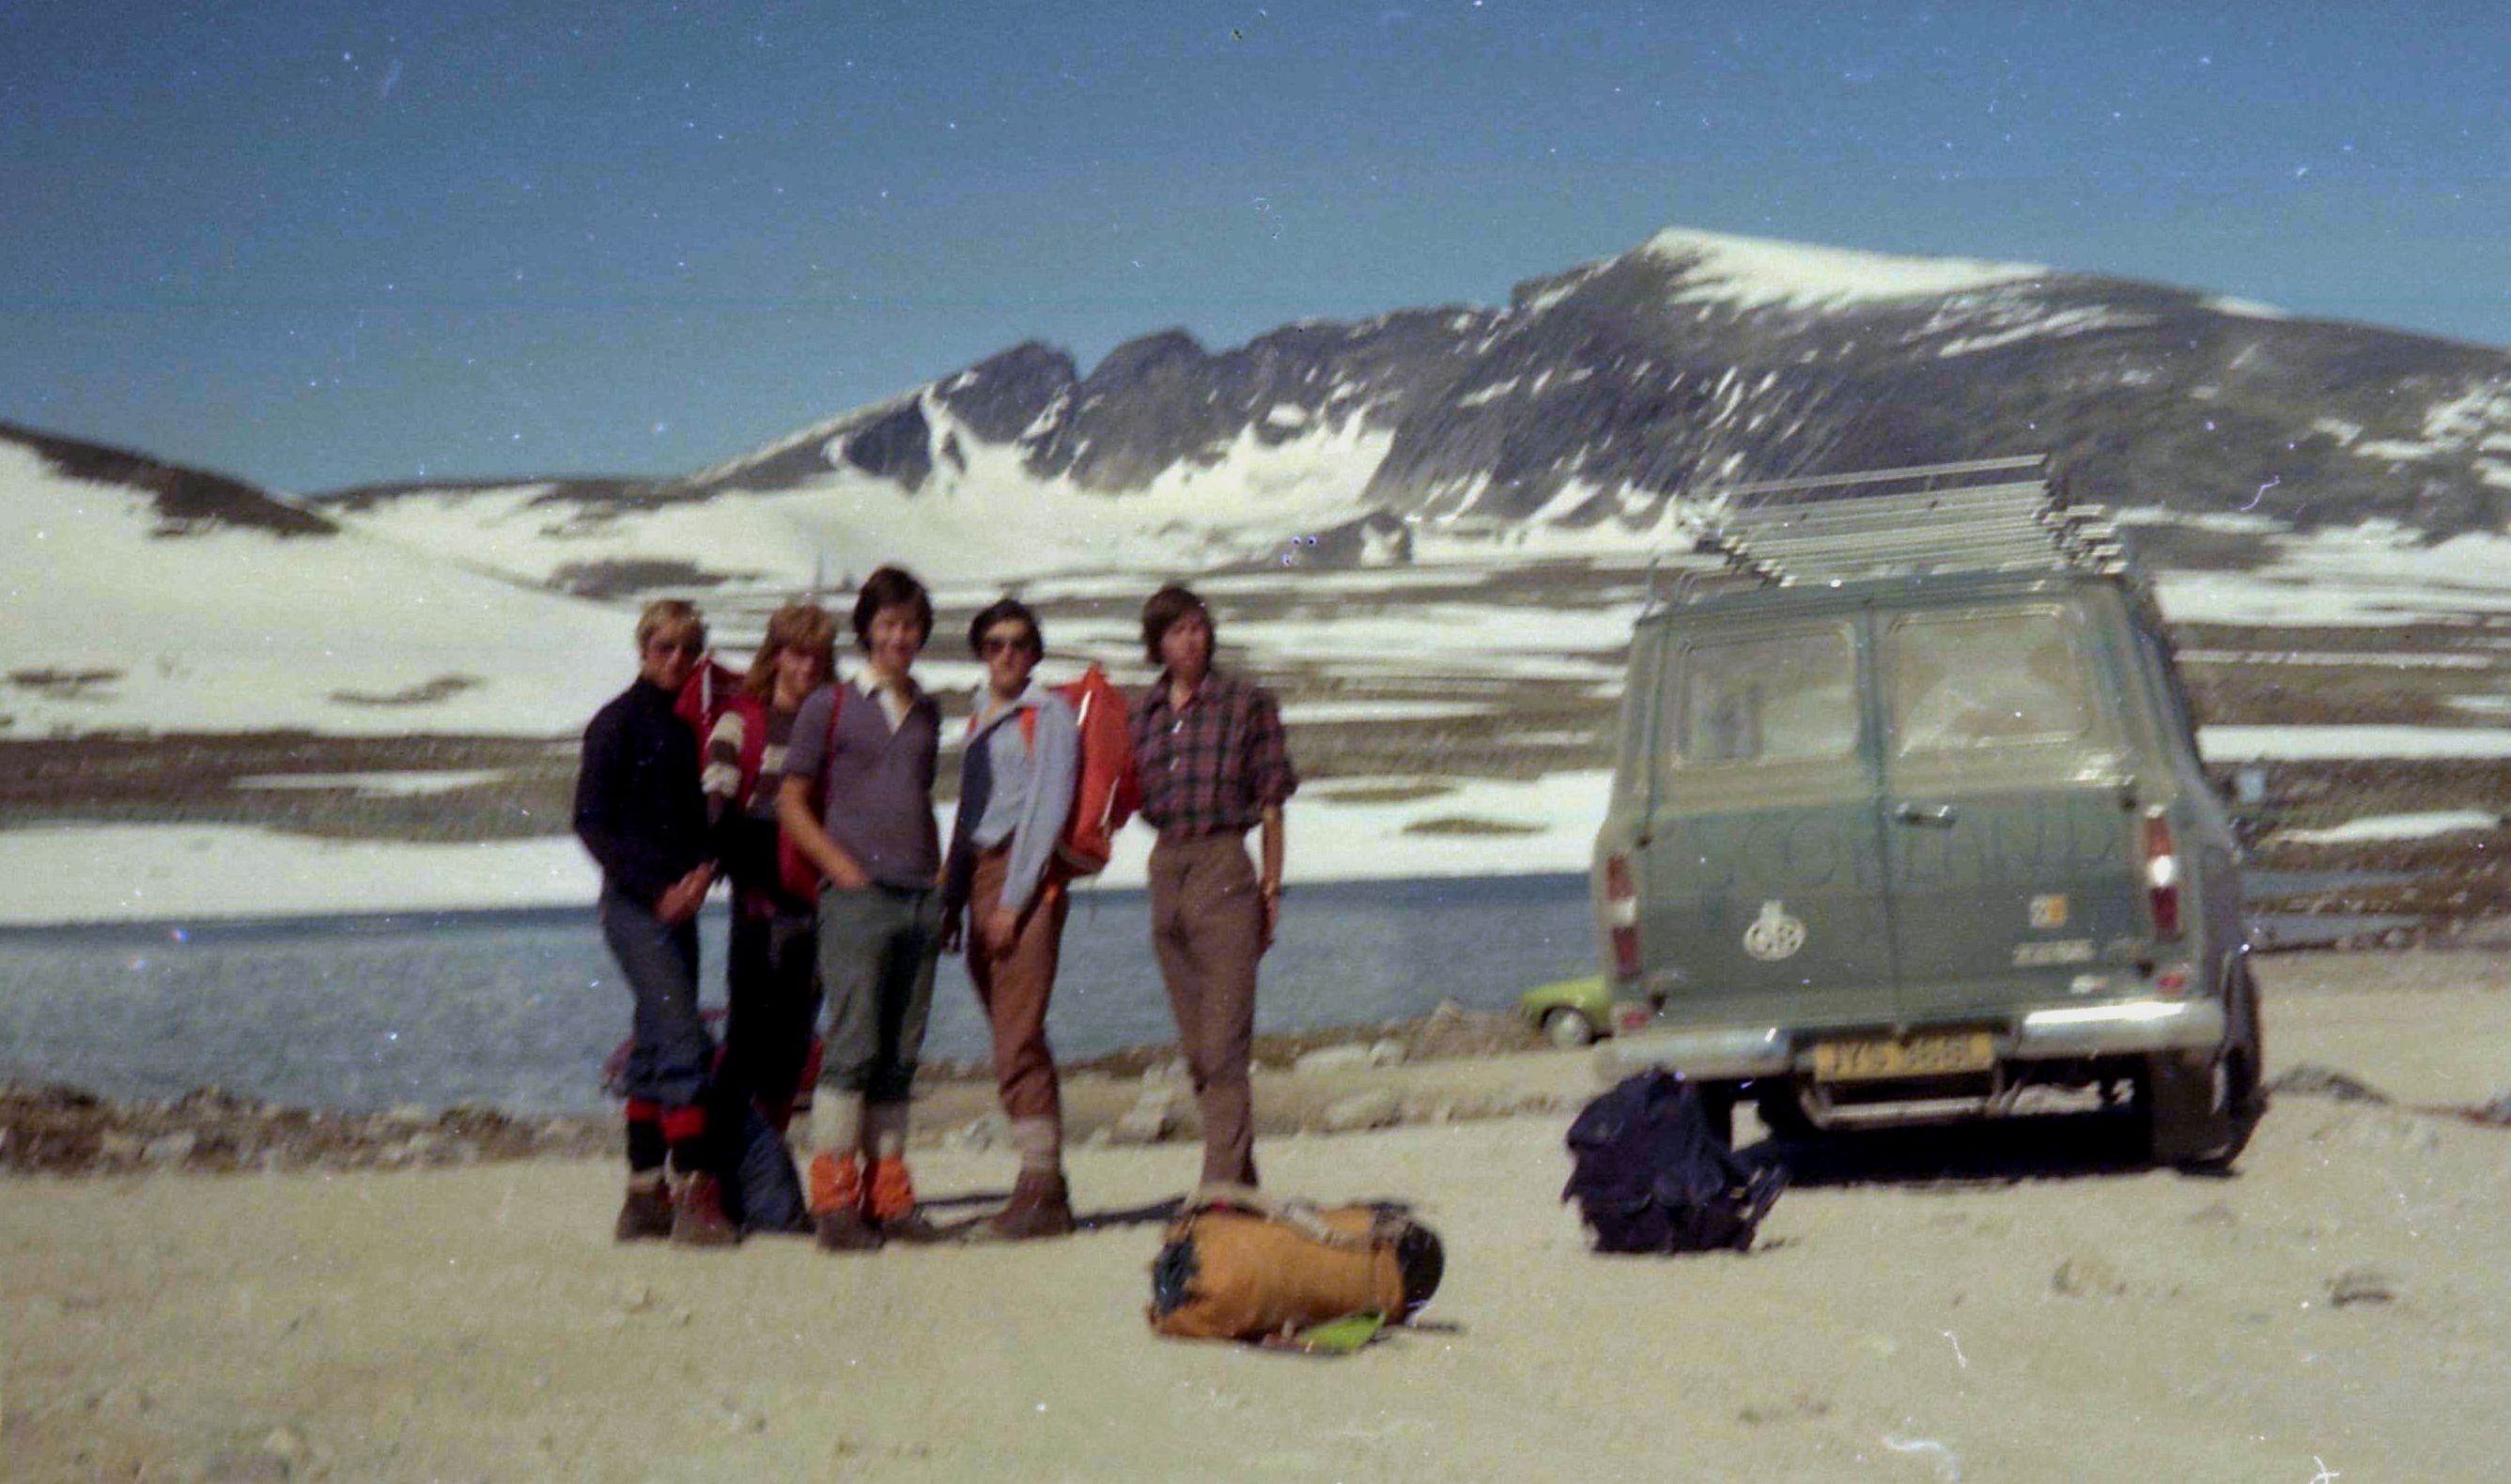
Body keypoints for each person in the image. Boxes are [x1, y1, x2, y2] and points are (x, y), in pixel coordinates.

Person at [777, 566, 947, 1251]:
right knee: (849, 1048)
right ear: (867, 631)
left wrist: (937, 880)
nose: (898, 637)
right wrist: (838, 868)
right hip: (857, 900)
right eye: (886, 625)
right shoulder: (832, 707)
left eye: (908, 625)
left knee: (899, 1055)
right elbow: (791, 798)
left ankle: (889, 1194)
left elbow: (917, 800)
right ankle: (834, 1200)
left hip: (918, 897)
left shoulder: (928, 710)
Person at [572, 599, 734, 1246]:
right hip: (636, 907)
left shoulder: (698, 724)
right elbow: (591, 821)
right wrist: (653, 889)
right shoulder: (615, 723)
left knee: (652, 1040)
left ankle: (643, 1195)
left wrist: (702, 874)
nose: (674, 659)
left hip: (684, 901)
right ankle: (695, 1191)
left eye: (685, 649)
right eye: (663, 647)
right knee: (681, 1038)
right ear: (643, 650)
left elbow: (715, 812)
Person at [1128, 584, 1297, 1191]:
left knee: (1224, 1045)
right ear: (1157, 644)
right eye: (1175, 631)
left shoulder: (1245, 704)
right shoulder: (1142, 714)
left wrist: (1270, 891)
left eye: (1198, 627)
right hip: (1165, 868)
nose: (1190, 640)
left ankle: (1218, 1193)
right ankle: (1241, 1184)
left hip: (1225, 867)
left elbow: (1273, 804)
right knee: (1199, 1049)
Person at [941, 598, 1082, 1239]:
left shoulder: (1047, 716)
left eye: (1020, 644)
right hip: (978, 875)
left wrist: (1011, 902)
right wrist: (953, 898)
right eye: (995, 643)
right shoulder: (980, 715)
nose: (1007, 654)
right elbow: (968, 813)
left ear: (1034, 652)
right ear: (980, 649)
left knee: (1016, 1034)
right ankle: (1042, 1184)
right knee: (1010, 1028)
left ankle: (1040, 1188)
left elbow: (1045, 813)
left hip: (1019, 880)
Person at [702, 602, 836, 1136]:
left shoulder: (830, 724)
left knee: (795, 1039)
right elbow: (717, 807)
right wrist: (748, 879)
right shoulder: (742, 722)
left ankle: (767, 1156)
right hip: (760, 904)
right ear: (777, 655)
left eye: (818, 658)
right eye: (798, 655)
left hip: (817, 899)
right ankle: (729, 1163)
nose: (807, 668)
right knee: (749, 1033)